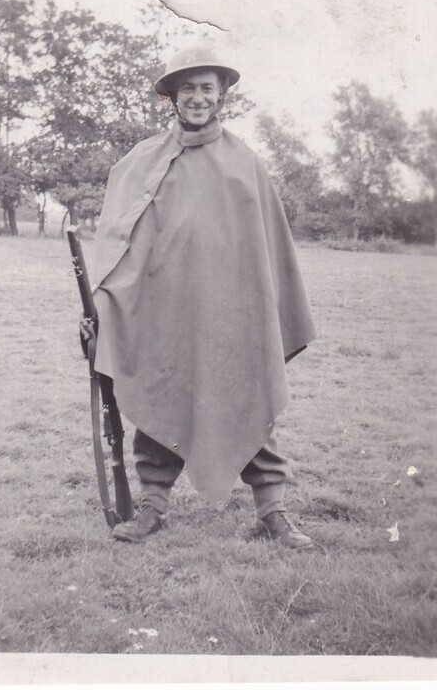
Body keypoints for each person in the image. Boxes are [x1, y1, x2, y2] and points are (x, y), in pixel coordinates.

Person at [87, 46, 317, 548]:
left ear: (222, 95)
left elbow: (267, 249)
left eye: (206, 88)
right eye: (187, 88)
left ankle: (273, 511)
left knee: (247, 397)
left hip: (234, 312)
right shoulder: (138, 163)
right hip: (163, 310)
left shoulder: (246, 165)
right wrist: (105, 309)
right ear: (172, 96)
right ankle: (152, 507)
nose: (197, 98)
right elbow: (118, 250)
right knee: (158, 393)